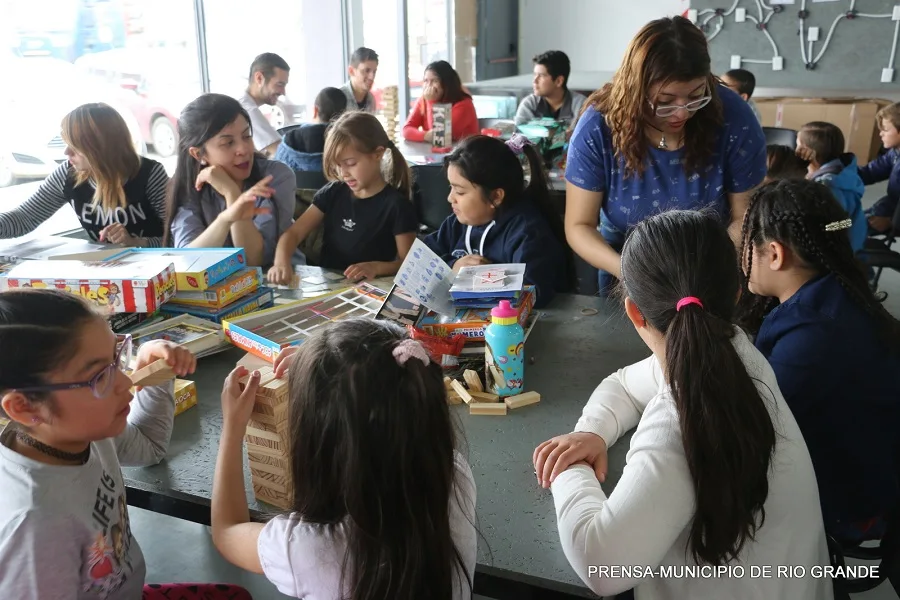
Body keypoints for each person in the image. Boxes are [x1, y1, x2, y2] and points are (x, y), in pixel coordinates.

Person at [533, 210, 831, 599]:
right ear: (735, 295)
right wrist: (590, 431)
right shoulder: (736, 352)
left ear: (633, 312)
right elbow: (622, 385)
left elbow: (601, 566)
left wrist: (569, 469)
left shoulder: (677, 420)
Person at [0, 289, 249, 600]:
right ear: (25, 407)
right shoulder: (34, 526)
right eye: (99, 376)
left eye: (117, 359)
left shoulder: (86, 431)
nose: (125, 382)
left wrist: (155, 371)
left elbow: (149, 446)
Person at [210, 318, 477, 599]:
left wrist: (232, 428)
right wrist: (319, 366)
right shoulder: (454, 473)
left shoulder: (307, 547)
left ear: (320, 444)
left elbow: (227, 532)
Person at [738, 179, 900, 544]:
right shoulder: (834, 289)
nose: (741, 255)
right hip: (867, 471)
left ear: (775, 254)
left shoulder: (814, 338)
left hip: (848, 505)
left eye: (746, 244)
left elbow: (753, 426)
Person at [565, 17, 766, 295]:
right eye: (665, 101)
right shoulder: (599, 127)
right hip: (625, 266)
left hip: (708, 265)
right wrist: (632, 273)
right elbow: (579, 226)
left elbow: (744, 216)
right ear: (636, 91)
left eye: (696, 96)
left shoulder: (734, 118)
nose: (682, 113)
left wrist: (704, 268)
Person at [267, 111, 417, 284]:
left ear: (378, 154)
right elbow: (293, 234)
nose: (343, 173)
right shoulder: (333, 192)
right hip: (329, 285)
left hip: (370, 289)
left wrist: (375, 267)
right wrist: (280, 263)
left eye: (351, 164)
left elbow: (408, 264)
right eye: (338, 165)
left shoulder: (397, 205)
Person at [424, 134, 567, 308]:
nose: (450, 198)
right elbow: (424, 260)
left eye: (460, 192)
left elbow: (534, 292)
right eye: (450, 188)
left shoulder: (528, 232)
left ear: (496, 196)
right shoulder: (456, 224)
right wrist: (453, 267)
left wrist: (480, 279)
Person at [0, 103, 168, 247]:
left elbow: (182, 239)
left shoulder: (149, 175)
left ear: (99, 147)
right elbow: (26, 217)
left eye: (75, 146)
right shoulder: (68, 173)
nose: (66, 152)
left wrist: (136, 242)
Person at [165, 93, 297, 269]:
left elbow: (254, 261)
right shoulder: (189, 185)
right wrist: (225, 218)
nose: (243, 149)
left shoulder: (276, 176)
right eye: (228, 143)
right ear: (199, 154)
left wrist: (232, 193)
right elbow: (188, 259)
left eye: (246, 136)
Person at [796, 121, 866, 252]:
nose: (795, 150)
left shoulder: (829, 187)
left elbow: (844, 224)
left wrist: (820, 228)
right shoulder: (842, 172)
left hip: (840, 253)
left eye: (798, 145)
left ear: (809, 153)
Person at [402, 61, 479, 144]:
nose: (429, 85)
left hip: (464, 154)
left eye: (435, 81)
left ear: (447, 83)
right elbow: (406, 130)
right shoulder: (424, 100)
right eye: (426, 81)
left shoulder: (464, 104)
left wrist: (432, 102)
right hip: (435, 154)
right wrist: (425, 135)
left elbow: (439, 137)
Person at [274, 86, 348, 172]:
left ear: (315, 110)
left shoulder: (288, 142)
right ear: (344, 114)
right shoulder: (350, 143)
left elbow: (276, 174)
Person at [515, 50, 587, 126]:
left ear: (559, 81)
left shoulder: (581, 106)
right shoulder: (530, 104)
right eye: (535, 75)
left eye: (541, 76)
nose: (535, 81)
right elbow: (519, 134)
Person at [239, 53, 291, 157]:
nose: (283, 92)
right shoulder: (247, 111)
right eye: (280, 84)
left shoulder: (243, 105)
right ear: (259, 78)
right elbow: (282, 154)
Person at [860, 101, 900, 234]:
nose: (880, 134)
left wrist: (891, 222)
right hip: (887, 208)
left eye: (885, 129)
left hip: (891, 218)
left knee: (842, 227)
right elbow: (871, 172)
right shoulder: (895, 152)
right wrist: (840, 174)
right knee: (847, 221)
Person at [341, 47, 378, 114]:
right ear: (351, 71)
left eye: (374, 72)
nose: (372, 77)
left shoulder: (371, 100)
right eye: (366, 71)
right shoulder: (338, 97)